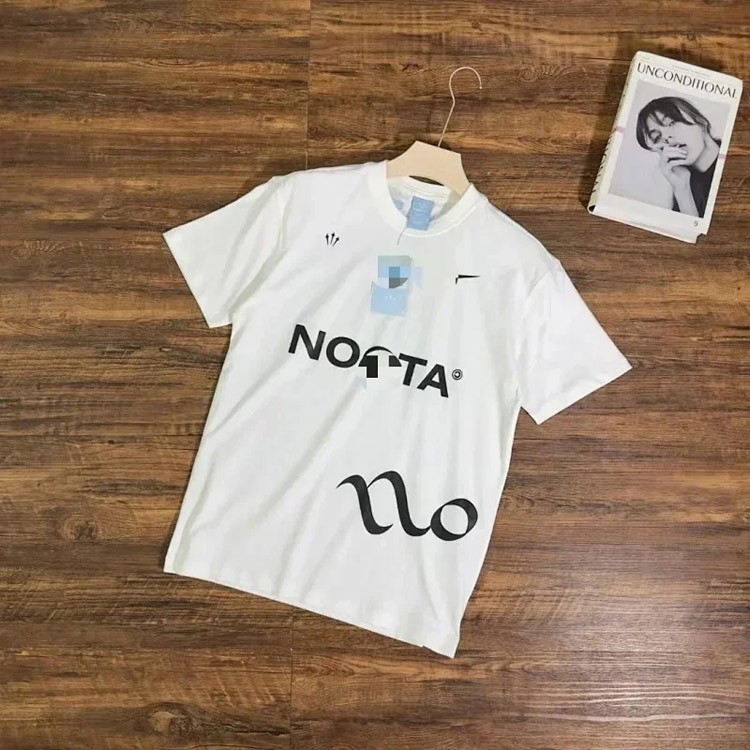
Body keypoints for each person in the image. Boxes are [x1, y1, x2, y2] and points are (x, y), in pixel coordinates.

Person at [635, 96, 721, 218]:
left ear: (701, 122)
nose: (666, 137)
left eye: (672, 123)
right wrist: (682, 189)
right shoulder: (684, 186)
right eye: (657, 137)